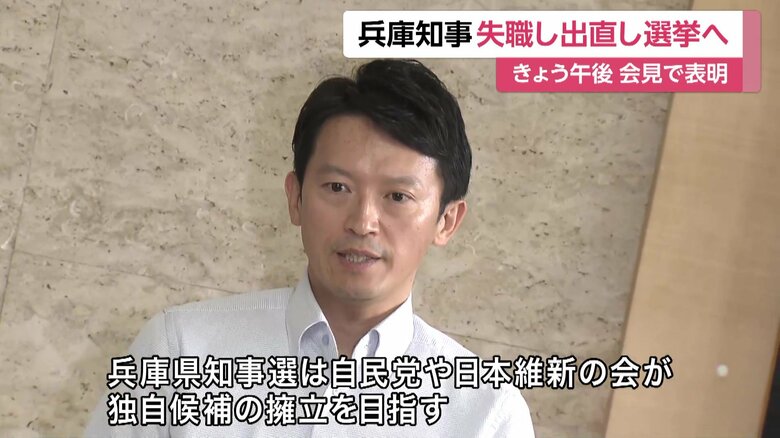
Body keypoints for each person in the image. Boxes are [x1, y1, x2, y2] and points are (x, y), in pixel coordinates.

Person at [85, 59, 534, 437]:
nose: (362, 222)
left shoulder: (486, 413)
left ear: (446, 221)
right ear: (296, 197)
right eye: (337, 187)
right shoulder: (179, 351)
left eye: (397, 196)